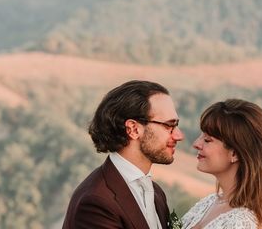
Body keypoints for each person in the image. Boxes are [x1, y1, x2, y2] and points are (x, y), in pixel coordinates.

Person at [63, 80, 184, 229]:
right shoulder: (95, 201)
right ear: (133, 129)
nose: (179, 136)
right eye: (169, 126)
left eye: (176, 125)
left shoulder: (157, 193)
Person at [182, 99, 262, 229]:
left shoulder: (243, 223)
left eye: (207, 140)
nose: (196, 144)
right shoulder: (209, 203)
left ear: (235, 153)